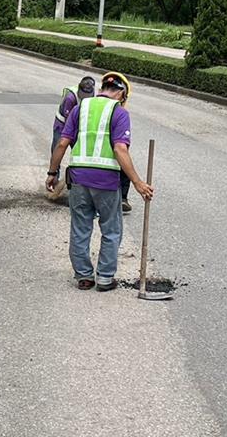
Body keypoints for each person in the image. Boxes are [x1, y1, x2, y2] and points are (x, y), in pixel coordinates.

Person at [45, 72, 154, 291]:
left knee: (80, 228)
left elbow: (62, 143)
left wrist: (52, 172)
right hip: (105, 181)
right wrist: (138, 183)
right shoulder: (119, 112)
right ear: (121, 94)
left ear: (102, 88)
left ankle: (84, 276)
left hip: (77, 179)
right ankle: (104, 278)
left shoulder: (79, 108)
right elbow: (120, 149)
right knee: (111, 230)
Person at [49, 76, 96, 198]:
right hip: (62, 124)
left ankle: (77, 185)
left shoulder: (95, 96)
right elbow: (70, 124)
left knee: (79, 154)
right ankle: (53, 180)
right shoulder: (70, 97)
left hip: (79, 127)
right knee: (58, 149)